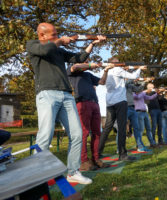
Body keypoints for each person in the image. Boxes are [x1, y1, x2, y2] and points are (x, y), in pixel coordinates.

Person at [26, 22, 104, 184]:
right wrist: (61, 40)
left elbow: (79, 58)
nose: (57, 36)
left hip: (67, 95)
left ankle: (73, 171)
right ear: (43, 35)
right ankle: (36, 173)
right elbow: (46, 49)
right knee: (45, 135)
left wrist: (92, 43)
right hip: (47, 94)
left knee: (77, 135)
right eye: (53, 34)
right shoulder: (33, 45)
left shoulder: (58, 50)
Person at [67, 62, 114, 171]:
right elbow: (75, 67)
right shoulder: (72, 71)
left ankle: (96, 159)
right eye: (84, 62)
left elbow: (102, 82)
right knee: (84, 132)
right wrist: (89, 65)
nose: (86, 63)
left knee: (97, 133)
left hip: (95, 103)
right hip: (82, 103)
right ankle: (83, 161)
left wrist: (106, 70)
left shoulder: (88, 75)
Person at [98, 57, 146, 161]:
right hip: (120, 102)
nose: (120, 64)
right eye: (117, 62)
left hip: (109, 102)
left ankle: (98, 152)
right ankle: (122, 154)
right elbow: (134, 76)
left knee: (107, 128)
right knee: (122, 127)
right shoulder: (118, 70)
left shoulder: (106, 71)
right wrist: (140, 68)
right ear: (113, 63)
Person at [133, 83, 157, 149]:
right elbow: (137, 97)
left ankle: (152, 143)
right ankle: (139, 144)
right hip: (138, 112)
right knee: (141, 129)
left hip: (145, 112)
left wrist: (156, 93)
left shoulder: (142, 94)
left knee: (149, 129)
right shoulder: (133, 94)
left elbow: (150, 98)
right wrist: (144, 91)